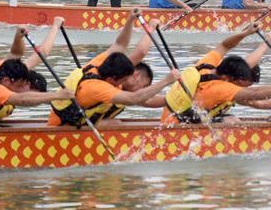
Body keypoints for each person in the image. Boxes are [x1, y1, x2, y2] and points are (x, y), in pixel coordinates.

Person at [47, 14, 180, 127]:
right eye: (144, 85)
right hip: (63, 127)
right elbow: (135, 98)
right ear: (112, 80)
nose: (129, 79)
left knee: (115, 121)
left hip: (81, 120)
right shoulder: (97, 87)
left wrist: (131, 19)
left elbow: (122, 45)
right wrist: (166, 81)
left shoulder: (104, 63)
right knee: (115, 123)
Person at [162, 26, 271, 124]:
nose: (242, 87)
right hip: (179, 125)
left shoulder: (209, 66)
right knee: (234, 122)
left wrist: (257, 40)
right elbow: (254, 94)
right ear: (227, 79)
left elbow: (225, 46)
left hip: (174, 115)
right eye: (241, 84)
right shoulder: (219, 88)